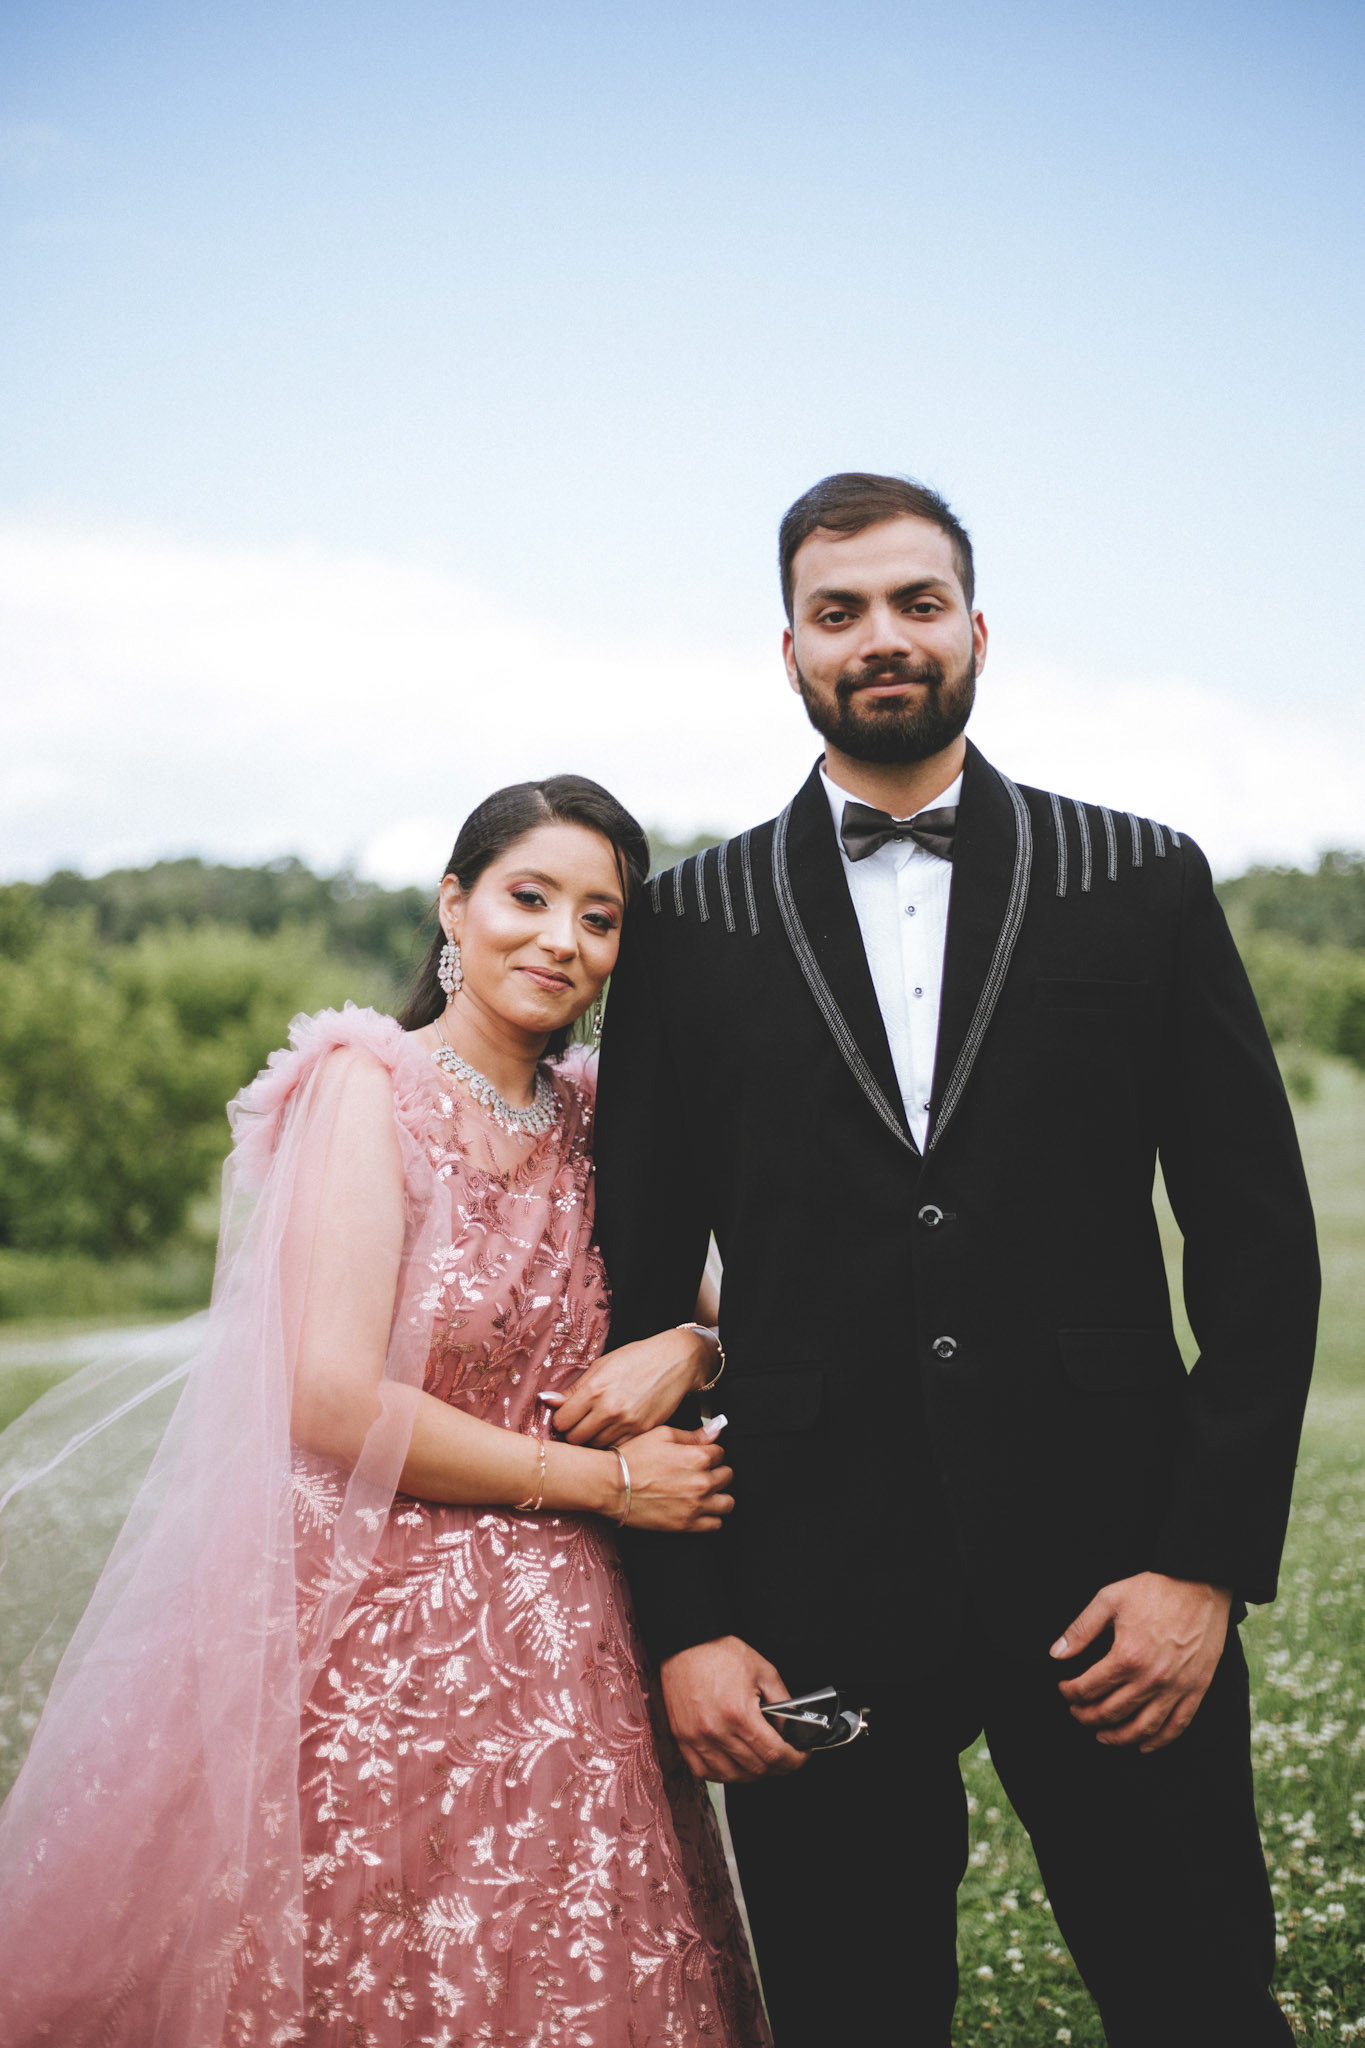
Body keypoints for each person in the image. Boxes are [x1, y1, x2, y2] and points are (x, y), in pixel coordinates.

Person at [592, 473, 1320, 2047]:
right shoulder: (686, 926)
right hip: (808, 1594)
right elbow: (629, 1295)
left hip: (1115, 1571)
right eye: (838, 611)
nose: (881, 637)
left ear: (976, 630)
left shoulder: (1139, 880)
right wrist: (691, 1624)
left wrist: (1200, 1564)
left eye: (915, 603)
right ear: (788, 649)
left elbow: (1258, 1246)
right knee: (851, 2017)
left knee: (1199, 2000)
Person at [0, 775, 768, 2048]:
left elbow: (745, 1313)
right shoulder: (370, 1085)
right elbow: (334, 1398)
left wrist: (693, 1345)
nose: (562, 940)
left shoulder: (601, 1117)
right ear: (455, 906)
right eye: (529, 898)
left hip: (575, 1639)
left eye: (600, 917)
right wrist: (613, 1484)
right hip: (373, 1619)